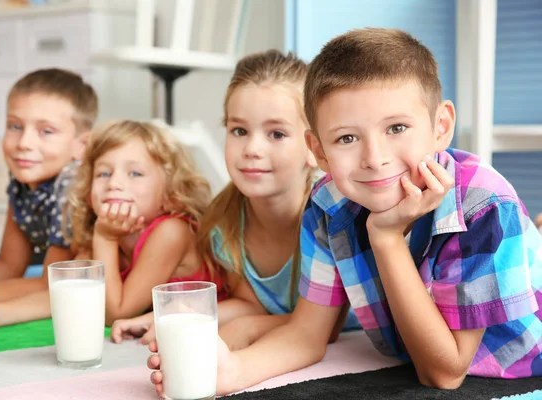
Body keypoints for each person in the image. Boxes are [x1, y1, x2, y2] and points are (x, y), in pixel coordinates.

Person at [148, 28, 542, 395]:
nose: (375, 158)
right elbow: (306, 335)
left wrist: (385, 238)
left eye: (397, 128)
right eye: (347, 138)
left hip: (517, 369)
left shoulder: (483, 207)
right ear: (318, 150)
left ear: (441, 126)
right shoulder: (329, 204)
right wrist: (232, 371)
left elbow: (444, 372)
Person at [111, 50, 358, 348]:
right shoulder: (225, 223)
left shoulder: (333, 215)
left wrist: (247, 329)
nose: (252, 148)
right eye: (239, 130)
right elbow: (250, 304)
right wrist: (170, 315)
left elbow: (327, 327)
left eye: (276, 134)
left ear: (313, 147)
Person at [0, 120, 227, 328]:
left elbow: (115, 313)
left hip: (214, 324)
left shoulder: (171, 232)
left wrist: (106, 238)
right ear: (88, 191)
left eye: (135, 174)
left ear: (171, 194)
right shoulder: (97, 232)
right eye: (104, 173)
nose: (114, 183)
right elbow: (64, 295)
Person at [0, 68, 97, 333]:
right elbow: (10, 264)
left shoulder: (73, 186)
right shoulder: (24, 180)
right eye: (15, 126)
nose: (24, 142)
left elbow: (50, 284)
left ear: (81, 145)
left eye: (46, 131)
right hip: (48, 279)